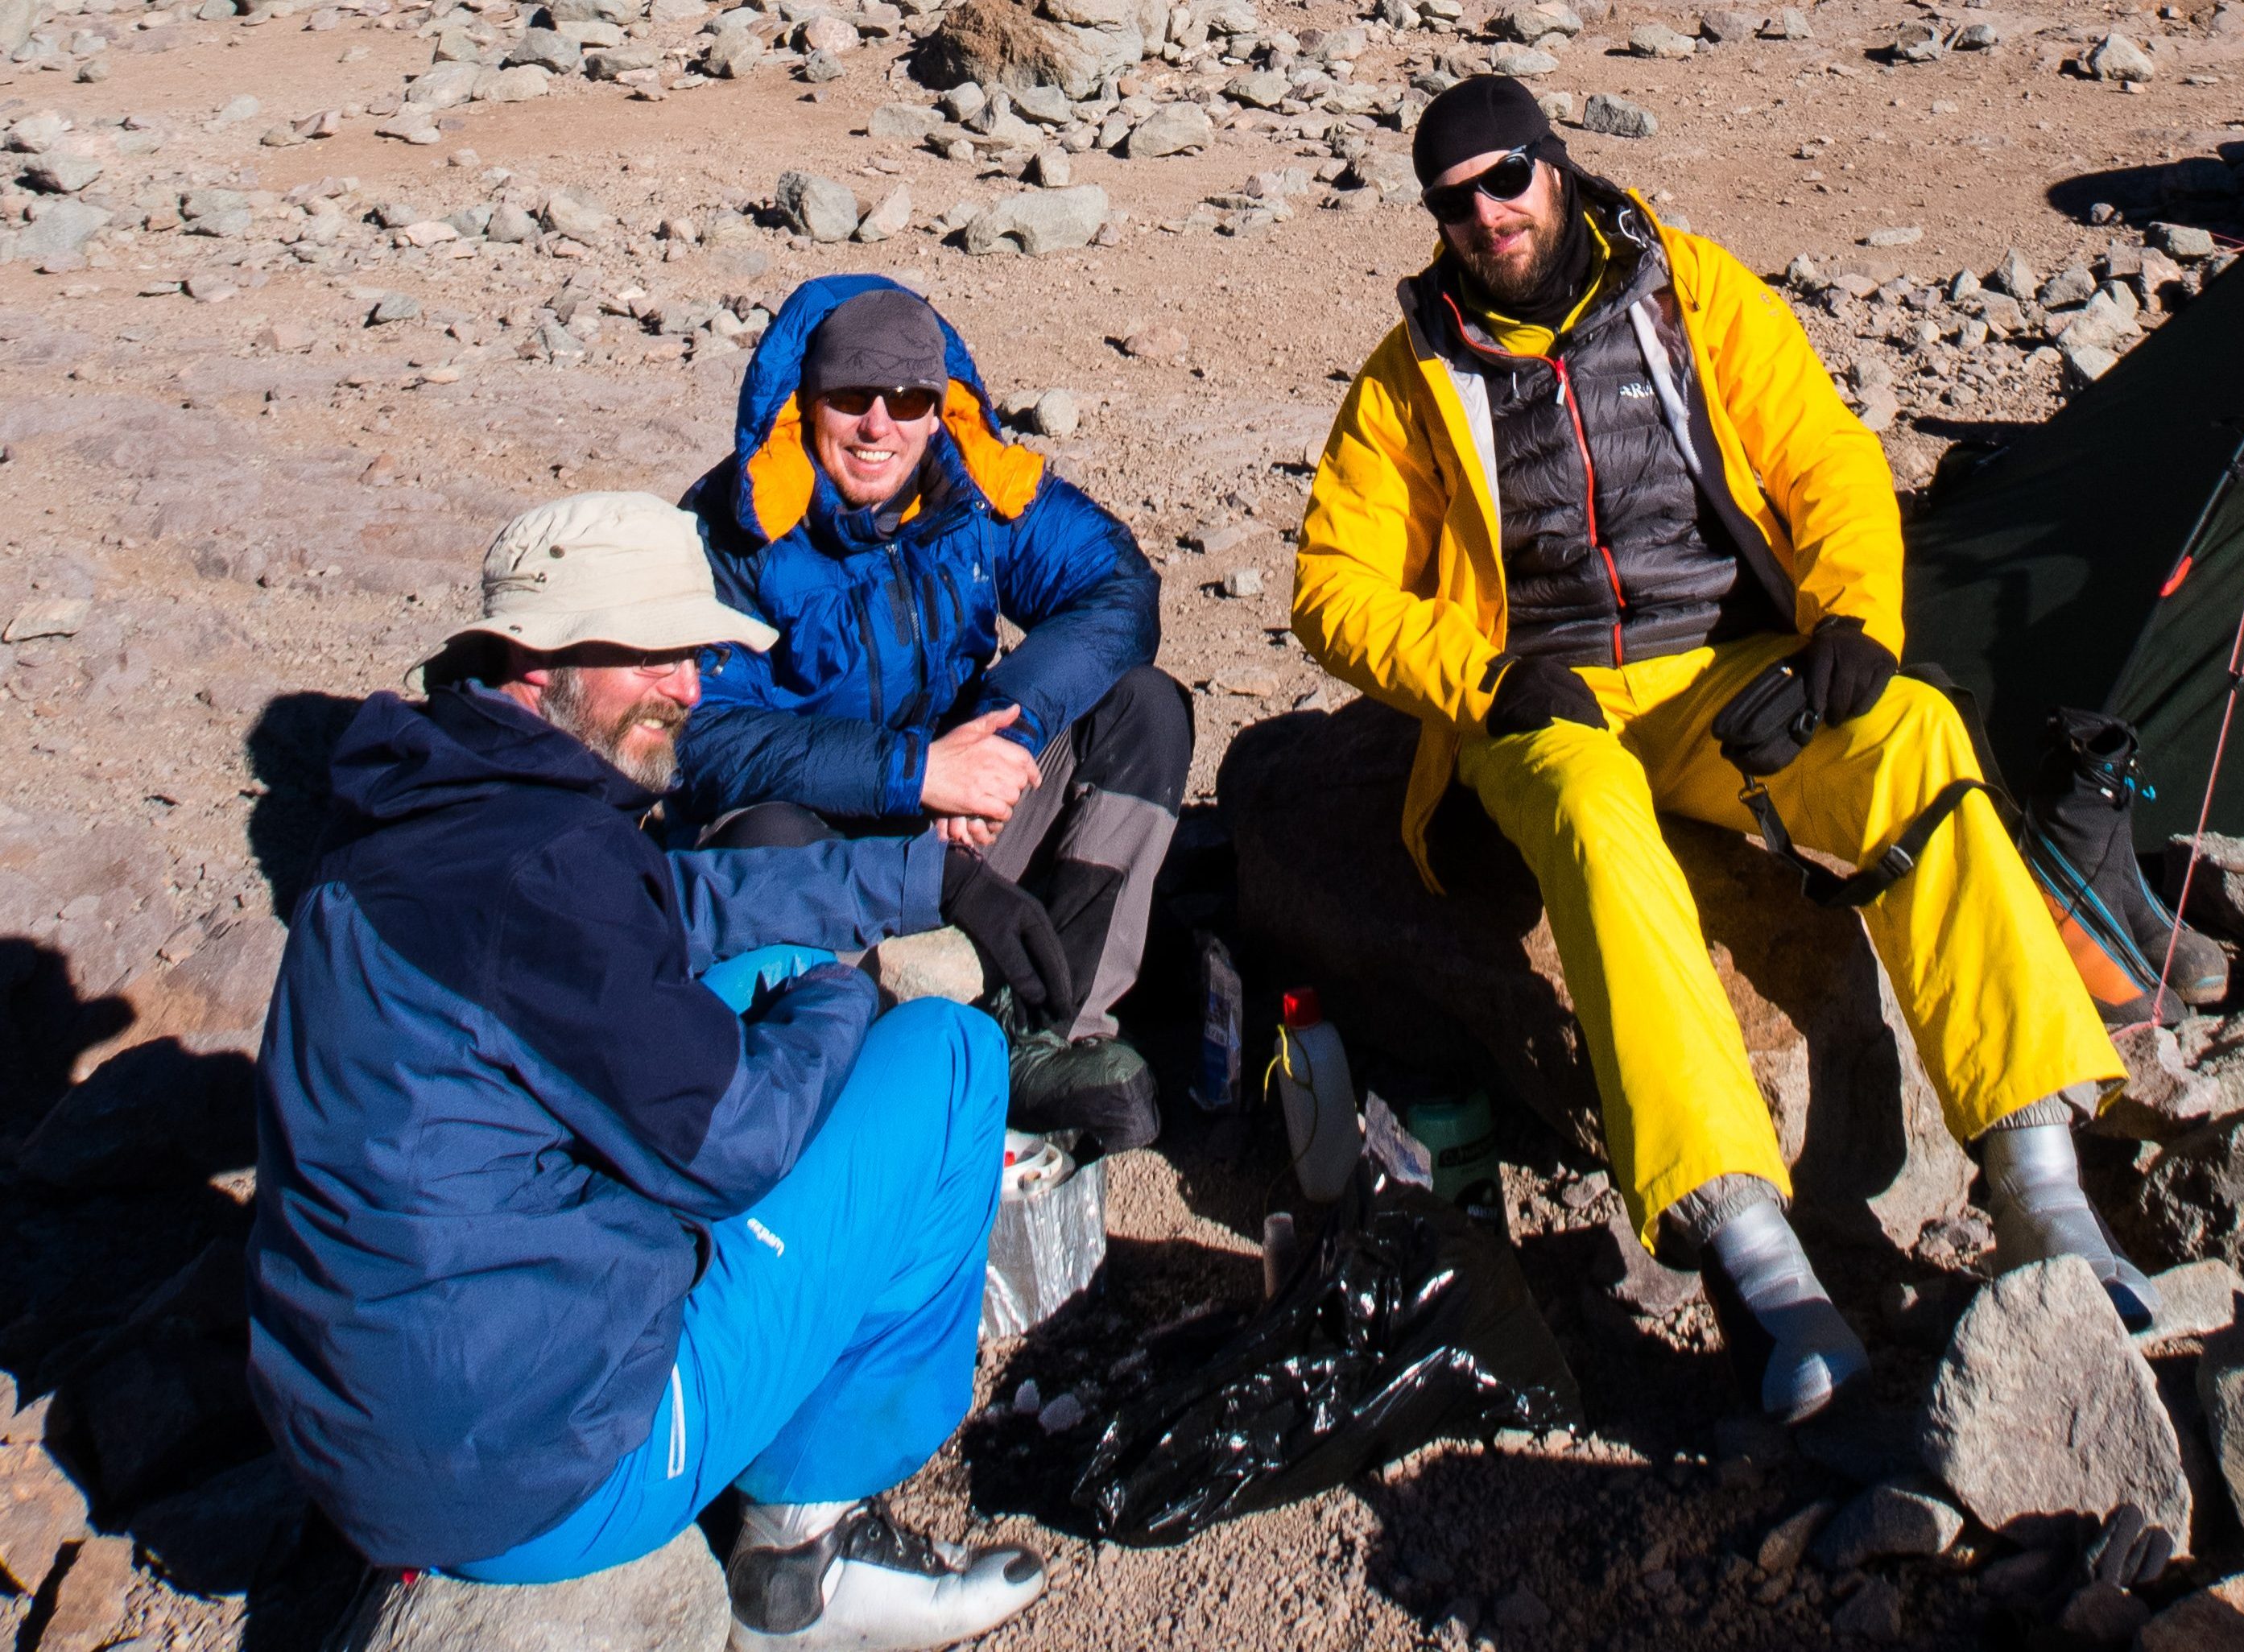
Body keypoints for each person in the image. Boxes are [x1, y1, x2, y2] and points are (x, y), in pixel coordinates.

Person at [1292, 77, 2151, 1424]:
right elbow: (1331, 586)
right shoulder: (1415, 373)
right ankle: (1750, 1251)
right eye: (1453, 202)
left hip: (1725, 672)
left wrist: (1851, 619)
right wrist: (1486, 679)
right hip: (1547, 699)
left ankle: (2041, 1187)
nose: (1486, 215)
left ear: (1553, 164)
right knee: (1595, 827)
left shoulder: (1689, 290)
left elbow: (1823, 459)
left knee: (1916, 736)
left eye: (1505, 179)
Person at [247, 493, 1044, 1651]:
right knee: (949, 1058)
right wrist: (839, 993)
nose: (687, 686)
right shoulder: (540, 868)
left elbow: (661, 906)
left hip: (378, 1422)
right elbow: (736, 1145)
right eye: (649, 655)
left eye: (694, 653)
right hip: (541, 1477)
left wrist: (918, 881)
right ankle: (809, 1552)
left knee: (759, 965)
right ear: (536, 661)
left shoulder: (431, 803)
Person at [676, 275, 1188, 1152]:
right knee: (759, 834)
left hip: (961, 822)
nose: (880, 426)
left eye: (908, 399)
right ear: (805, 403)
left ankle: (1052, 1029)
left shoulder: (970, 492)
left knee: (1144, 709)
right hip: (825, 854)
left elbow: (1118, 587)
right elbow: (701, 736)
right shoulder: (732, 532)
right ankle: (843, 1059)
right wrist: (916, 773)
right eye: (851, 397)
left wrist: (1003, 736)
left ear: (939, 408)